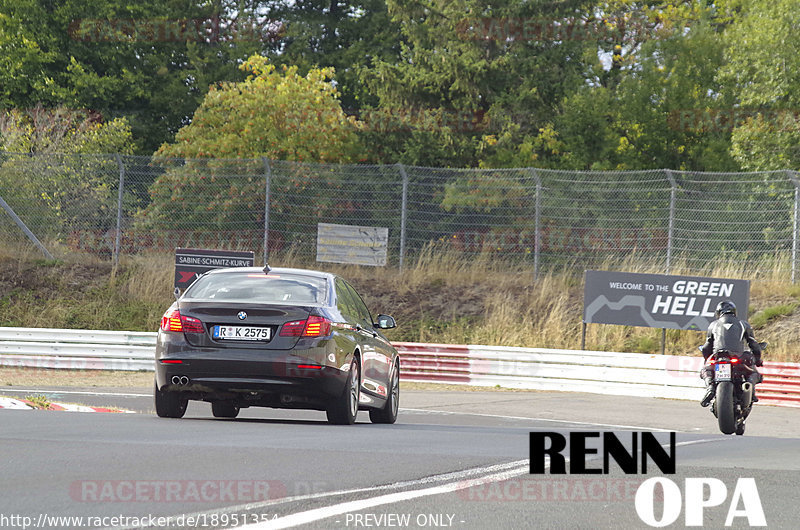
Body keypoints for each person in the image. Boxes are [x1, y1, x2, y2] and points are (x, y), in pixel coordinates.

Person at [699, 300, 763, 407]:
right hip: (738, 358)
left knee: (705, 370)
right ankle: (750, 389)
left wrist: (707, 359)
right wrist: (758, 359)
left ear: (719, 312)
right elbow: (754, 345)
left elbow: (706, 347)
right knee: (753, 372)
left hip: (718, 357)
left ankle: (710, 386)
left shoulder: (713, 325)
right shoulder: (743, 324)